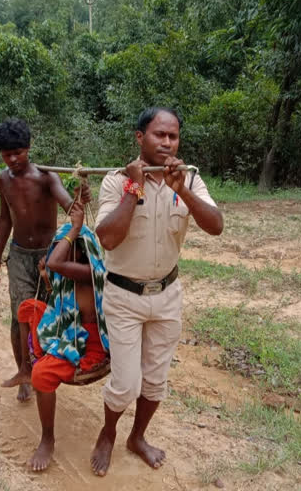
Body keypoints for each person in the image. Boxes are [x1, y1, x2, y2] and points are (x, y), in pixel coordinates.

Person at [90, 107, 223, 476]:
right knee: (125, 382)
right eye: (158, 135)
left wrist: (184, 191)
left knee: (155, 379)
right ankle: (108, 432)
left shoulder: (189, 179)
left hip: (167, 295)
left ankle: (137, 436)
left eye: (173, 136)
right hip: (123, 296)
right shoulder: (116, 182)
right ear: (139, 137)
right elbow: (109, 239)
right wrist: (135, 188)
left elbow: (216, 226)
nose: (166, 142)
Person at [0, 118, 91, 402]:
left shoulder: (46, 177)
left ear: (28, 148)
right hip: (19, 255)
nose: (12, 160)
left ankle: (43, 371)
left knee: (45, 313)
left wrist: (81, 198)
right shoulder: (3, 180)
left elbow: (70, 207)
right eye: (6, 155)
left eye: (17, 153)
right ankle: (24, 372)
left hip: (49, 257)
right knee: (20, 314)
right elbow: (5, 218)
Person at [21, 198, 109, 471]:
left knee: (42, 376)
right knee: (27, 308)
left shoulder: (91, 273)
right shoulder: (66, 271)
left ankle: (47, 439)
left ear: (83, 252)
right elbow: (58, 292)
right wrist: (46, 278)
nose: (61, 253)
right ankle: (26, 365)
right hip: (66, 328)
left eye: (68, 247)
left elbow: (56, 262)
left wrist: (75, 230)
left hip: (88, 345)